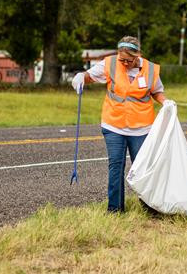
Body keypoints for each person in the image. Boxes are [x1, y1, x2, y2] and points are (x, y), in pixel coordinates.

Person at [71, 36, 167, 213]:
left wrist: (167, 103)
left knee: (142, 167)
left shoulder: (151, 69)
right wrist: (80, 77)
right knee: (116, 165)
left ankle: (150, 208)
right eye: (121, 58)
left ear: (137, 55)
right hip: (113, 124)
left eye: (128, 60)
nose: (124, 63)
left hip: (141, 127)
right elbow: (90, 76)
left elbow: (157, 91)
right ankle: (115, 209)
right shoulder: (110, 63)